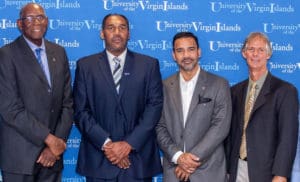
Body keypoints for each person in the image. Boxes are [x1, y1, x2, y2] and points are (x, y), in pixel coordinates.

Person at [73, 13, 163, 182]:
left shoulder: (149, 65)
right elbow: (80, 111)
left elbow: (154, 107)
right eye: (111, 28)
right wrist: (107, 144)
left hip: (138, 160)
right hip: (98, 159)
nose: (117, 32)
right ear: (102, 33)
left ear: (129, 33)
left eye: (122, 28)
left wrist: (128, 144)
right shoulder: (85, 66)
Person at [0, 2, 73, 182]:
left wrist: (56, 144)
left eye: (40, 17)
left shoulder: (59, 52)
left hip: (53, 157)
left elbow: (67, 104)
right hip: (20, 157)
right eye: (29, 18)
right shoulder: (6, 55)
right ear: (19, 24)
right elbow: (9, 108)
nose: (36, 22)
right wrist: (48, 138)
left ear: (46, 21)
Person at [156, 32, 232, 182]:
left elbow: (220, 126)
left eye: (191, 49)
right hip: (174, 172)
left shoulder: (219, 84)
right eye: (180, 51)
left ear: (199, 52)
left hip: (208, 172)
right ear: (173, 55)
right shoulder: (163, 87)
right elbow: (159, 126)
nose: (186, 55)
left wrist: (190, 161)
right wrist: (178, 157)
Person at [226, 32, 299, 182]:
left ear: (268, 54)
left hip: (268, 172)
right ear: (244, 53)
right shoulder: (235, 91)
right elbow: (230, 134)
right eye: (251, 49)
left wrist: (281, 174)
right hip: (237, 169)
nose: (255, 54)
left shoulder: (285, 91)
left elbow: (288, 137)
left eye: (261, 50)